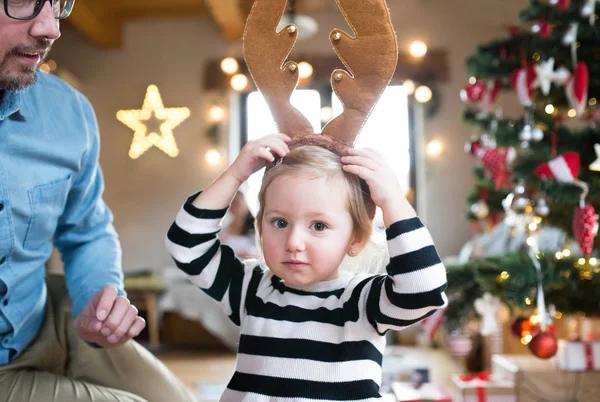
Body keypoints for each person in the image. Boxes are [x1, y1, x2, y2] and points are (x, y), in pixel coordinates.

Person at [0, 1, 194, 400]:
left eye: (58, 3)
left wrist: (98, 301)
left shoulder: (69, 111)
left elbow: (87, 230)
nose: (51, 28)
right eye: (24, 0)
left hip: (50, 315)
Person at [166, 133, 448, 400]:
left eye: (318, 226)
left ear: (355, 239)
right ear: (261, 226)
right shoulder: (250, 289)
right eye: (279, 222)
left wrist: (392, 201)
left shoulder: (362, 301)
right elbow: (186, 244)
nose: (294, 242)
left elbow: (424, 290)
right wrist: (235, 175)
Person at [219, 190, 258, 259]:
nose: (233, 207)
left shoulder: (255, 230)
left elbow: (261, 254)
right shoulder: (222, 229)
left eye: (237, 203)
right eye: (231, 203)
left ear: (245, 204)